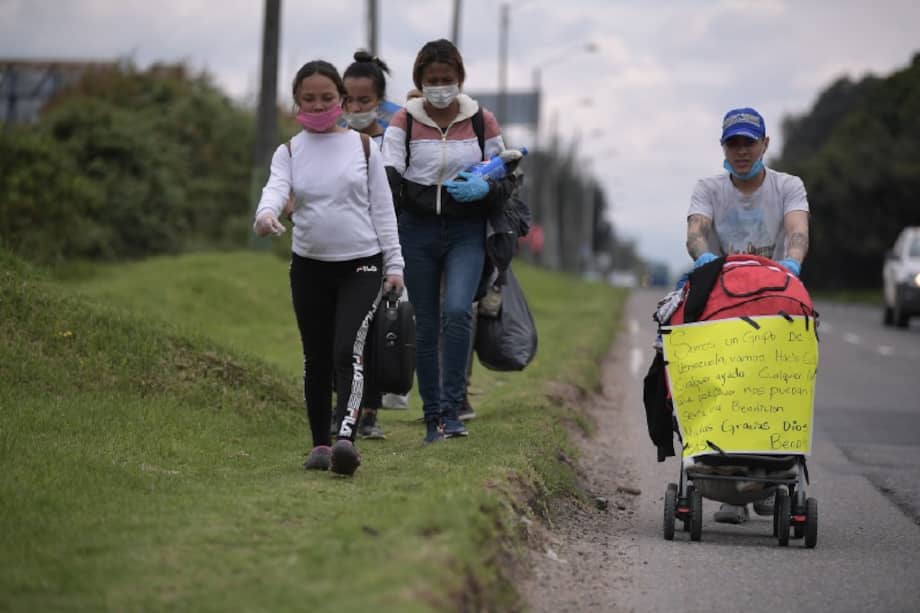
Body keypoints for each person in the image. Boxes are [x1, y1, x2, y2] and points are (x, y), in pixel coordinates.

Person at [253, 59, 404, 476]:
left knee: (346, 349)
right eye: (308, 99)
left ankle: (346, 439)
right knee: (315, 357)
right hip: (309, 267)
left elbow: (383, 210)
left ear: (340, 99)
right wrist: (266, 216)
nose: (318, 106)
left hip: (362, 264)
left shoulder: (364, 147)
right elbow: (275, 189)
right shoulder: (289, 151)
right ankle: (320, 443)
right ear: (297, 102)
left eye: (326, 98)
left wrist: (395, 264)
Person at [382, 39, 516, 444]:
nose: (441, 88)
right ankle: (433, 416)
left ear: (460, 79)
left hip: (466, 232)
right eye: (432, 81)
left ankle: (455, 409)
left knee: (458, 311)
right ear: (419, 82)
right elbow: (388, 180)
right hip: (417, 231)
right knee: (426, 324)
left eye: (448, 79)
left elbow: (505, 175)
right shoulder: (404, 122)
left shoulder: (481, 121)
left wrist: (485, 186)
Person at [685, 106, 810, 523]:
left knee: (774, 384)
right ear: (723, 147)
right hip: (725, 293)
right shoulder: (709, 187)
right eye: (733, 143)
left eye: (748, 143)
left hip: (776, 295)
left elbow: (796, 230)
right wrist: (704, 257)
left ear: (765, 144)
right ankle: (730, 487)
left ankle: (767, 473)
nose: (741, 151)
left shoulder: (787, 186)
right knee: (723, 382)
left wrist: (791, 262)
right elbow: (698, 229)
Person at [341, 50, 406, 439]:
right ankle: (344, 406)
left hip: (379, 249)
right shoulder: (334, 142)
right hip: (338, 248)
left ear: (378, 103)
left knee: (377, 331)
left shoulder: (389, 146)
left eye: (364, 101)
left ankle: (369, 410)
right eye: (348, 100)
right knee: (344, 333)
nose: (355, 108)